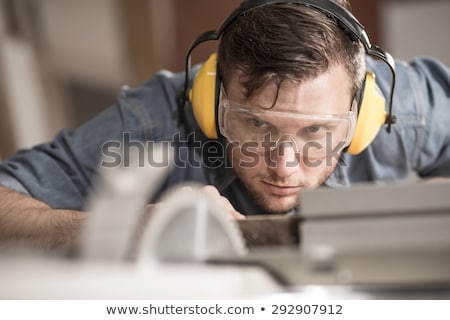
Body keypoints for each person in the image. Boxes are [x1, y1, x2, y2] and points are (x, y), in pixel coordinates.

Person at [0, 0, 449, 250]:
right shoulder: (156, 117)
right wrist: (125, 228)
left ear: (365, 113)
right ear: (210, 99)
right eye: (255, 123)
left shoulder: (402, 107)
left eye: (316, 131)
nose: (284, 167)